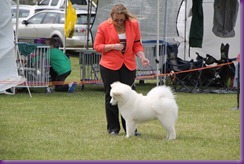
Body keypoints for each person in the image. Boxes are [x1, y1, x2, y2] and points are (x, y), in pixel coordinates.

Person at [94, 4, 150, 136]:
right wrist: (113, 46)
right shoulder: (103, 26)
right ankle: (113, 128)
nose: (119, 22)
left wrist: (142, 57)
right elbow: (97, 46)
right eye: (116, 19)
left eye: (121, 20)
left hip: (128, 65)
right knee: (111, 95)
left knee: (130, 97)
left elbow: (137, 44)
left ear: (126, 17)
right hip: (109, 66)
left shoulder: (133, 25)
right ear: (111, 16)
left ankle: (131, 129)